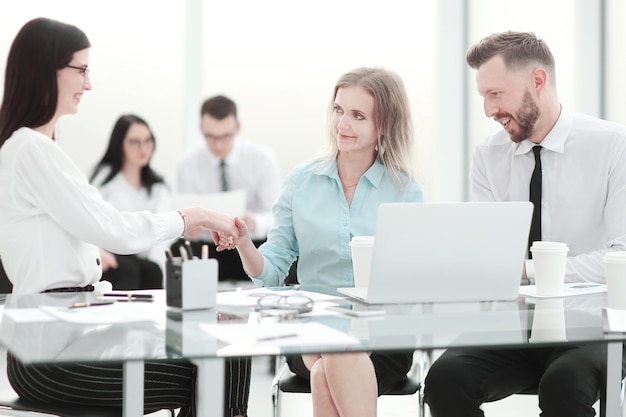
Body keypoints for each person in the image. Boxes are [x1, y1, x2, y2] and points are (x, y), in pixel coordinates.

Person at [0, 17, 249, 417]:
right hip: (48, 356)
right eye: (81, 69)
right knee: (222, 357)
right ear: (48, 70)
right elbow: (114, 230)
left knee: (222, 353)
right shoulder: (30, 150)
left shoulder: (37, 147)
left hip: (66, 334)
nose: (89, 83)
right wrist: (194, 216)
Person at [423, 31, 626, 417]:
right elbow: (491, 253)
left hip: (595, 323)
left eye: (496, 94)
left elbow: (622, 256)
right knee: (445, 379)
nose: (488, 110)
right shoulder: (488, 155)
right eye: (483, 96)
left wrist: (529, 270)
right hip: (515, 324)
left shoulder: (614, 145)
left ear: (537, 80)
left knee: (564, 384)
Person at [230, 67, 425, 417]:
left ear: (385, 125)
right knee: (334, 349)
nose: (342, 124)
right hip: (313, 324)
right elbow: (271, 271)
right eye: (338, 110)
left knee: (325, 371)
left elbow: (413, 277)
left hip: (383, 334)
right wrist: (245, 243)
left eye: (358, 115)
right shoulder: (301, 182)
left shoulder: (404, 190)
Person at [173, 95, 281, 282]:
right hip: (208, 246)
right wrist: (191, 227)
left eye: (225, 136)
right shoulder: (187, 164)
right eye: (211, 137)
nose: (218, 145)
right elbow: (184, 214)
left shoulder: (262, 159)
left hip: (251, 243)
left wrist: (254, 222)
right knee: (179, 250)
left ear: (237, 128)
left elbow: (275, 216)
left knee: (275, 250)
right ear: (201, 129)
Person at [90, 114, 170, 290]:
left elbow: (161, 235)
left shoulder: (158, 186)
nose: (143, 148)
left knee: (153, 271)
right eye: (135, 142)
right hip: (110, 256)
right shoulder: (104, 179)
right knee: (129, 271)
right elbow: (88, 219)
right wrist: (96, 251)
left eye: (148, 141)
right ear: (120, 145)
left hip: (142, 256)